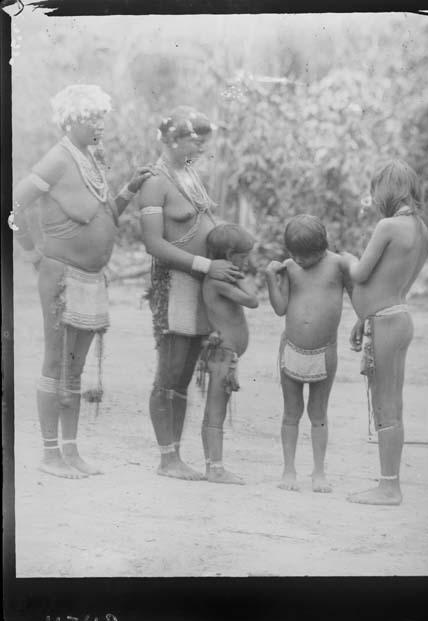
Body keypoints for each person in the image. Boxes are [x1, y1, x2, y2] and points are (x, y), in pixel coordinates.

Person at [11, 84, 153, 479]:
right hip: (60, 273)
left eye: (101, 118)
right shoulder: (57, 159)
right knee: (56, 363)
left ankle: (71, 451)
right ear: (70, 121)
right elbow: (14, 203)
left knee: (75, 368)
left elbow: (103, 213)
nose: (99, 125)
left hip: (92, 277)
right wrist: (30, 251)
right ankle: (50, 453)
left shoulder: (90, 158)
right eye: (91, 118)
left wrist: (129, 189)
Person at [138, 106, 243, 481]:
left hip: (203, 288)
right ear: (170, 139)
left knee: (183, 375)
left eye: (202, 142)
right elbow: (153, 243)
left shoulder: (189, 175)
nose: (198, 148)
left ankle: (176, 456)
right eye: (192, 141)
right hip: (177, 285)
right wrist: (205, 266)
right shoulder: (156, 181)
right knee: (169, 371)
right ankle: (168, 458)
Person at [342, 159, 428, 506]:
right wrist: (362, 317)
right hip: (397, 318)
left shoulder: (388, 226)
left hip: (387, 324)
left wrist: (345, 258)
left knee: (386, 405)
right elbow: (393, 283)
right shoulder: (420, 231)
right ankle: (389, 482)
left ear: (386, 190)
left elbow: (362, 274)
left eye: (375, 190)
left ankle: (389, 487)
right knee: (392, 403)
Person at [265, 215, 353, 493]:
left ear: (323, 247)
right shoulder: (289, 268)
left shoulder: (339, 264)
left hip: (324, 351)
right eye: (296, 256)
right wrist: (271, 278)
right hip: (290, 349)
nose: (301, 261)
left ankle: (319, 472)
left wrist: (364, 321)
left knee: (318, 413)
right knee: (291, 412)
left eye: (307, 257)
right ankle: (288, 469)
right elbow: (280, 308)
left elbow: (356, 293)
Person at [197, 223, 259, 485]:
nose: (246, 262)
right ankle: (215, 469)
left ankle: (214, 465)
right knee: (215, 412)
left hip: (225, 353)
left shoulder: (222, 279)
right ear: (229, 255)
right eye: (243, 257)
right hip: (221, 353)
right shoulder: (216, 280)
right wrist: (245, 277)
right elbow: (252, 300)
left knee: (215, 410)